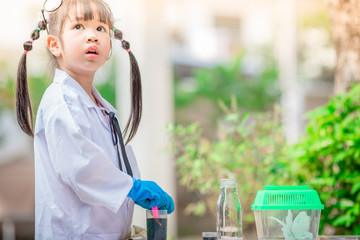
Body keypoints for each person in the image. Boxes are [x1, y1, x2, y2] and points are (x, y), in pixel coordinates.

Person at [15, 0, 174, 239]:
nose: (92, 36)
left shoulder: (101, 108)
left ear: (109, 47)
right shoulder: (61, 101)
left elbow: (110, 166)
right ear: (55, 45)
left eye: (100, 29)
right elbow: (81, 168)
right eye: (78, 27)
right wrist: (134, 188)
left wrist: (134, 188)